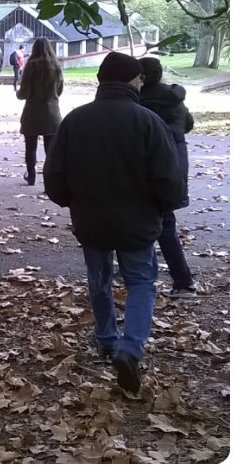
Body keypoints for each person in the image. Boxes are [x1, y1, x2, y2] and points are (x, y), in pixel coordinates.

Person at [43, 52, 182, 394]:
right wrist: (164, 209)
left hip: (90, 219)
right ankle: (131, 346)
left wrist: (71, 201)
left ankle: (106, 337)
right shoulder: (148, 122)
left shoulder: (75, 120)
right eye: (138, 79)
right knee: (141, 281)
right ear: (133, 81)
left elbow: (54, 174)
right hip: (137, 219)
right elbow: (168, 178)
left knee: (99, 280)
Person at [139, 56, 197, 297]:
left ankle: (177, 281)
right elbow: (189, 123)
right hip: (175, 164)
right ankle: (181, 281)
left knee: (151, 224)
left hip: (151, 167)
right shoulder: (174, 99)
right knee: (165, 222)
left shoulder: (142, 103)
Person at [17, 39, 63, 185]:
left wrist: (18, 93)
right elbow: (60, 90)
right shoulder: (56, 67)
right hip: (52, 114)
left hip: (33, 113)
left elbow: (23, 94)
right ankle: (48, 181)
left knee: (30, 148)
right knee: (50, 150)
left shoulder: (30, 67)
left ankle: (31, 177)